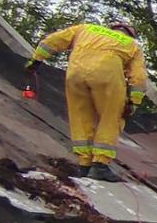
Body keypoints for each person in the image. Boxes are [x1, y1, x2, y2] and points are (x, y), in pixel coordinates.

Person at [25, 20, 148, 181]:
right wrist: (133, 102)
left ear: (111, 28)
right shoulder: (132, 44)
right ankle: (100, 166)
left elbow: (52, 41)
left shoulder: (86, 29)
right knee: (111, 118)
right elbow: (138, 77)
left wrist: (36, 60)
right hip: (107, 77)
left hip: (75, 74)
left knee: (81, 116)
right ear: (130, 34)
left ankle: (84, 165)